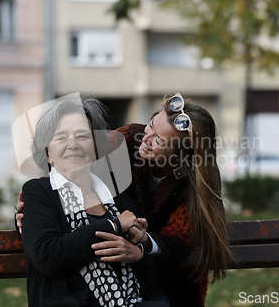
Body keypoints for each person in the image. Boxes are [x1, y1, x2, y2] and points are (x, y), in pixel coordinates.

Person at [17, 93, 232, 307]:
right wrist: (28, 219)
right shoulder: (126, 141)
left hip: (167, 275)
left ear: (179, 158)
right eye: (151, 126)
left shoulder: (192, 185)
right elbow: (69, 166)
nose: (145, 139)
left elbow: (176, 245)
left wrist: (143, 243)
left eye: (158, 140)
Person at [21, 96, 169, 307]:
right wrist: (113, 225)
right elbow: (48, 255)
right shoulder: (39, 192)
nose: (73, 144)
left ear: (96, 147)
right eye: (61, 138)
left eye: (82, 136)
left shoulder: (118, 198)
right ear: (47, 154)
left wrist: (137, 254)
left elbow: (150, 278)